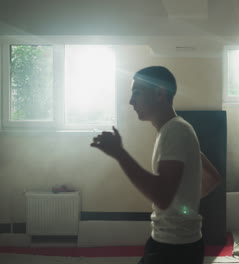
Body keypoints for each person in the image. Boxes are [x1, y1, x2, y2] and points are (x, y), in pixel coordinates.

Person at [91, 66, 221, 264]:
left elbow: (162, 198)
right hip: (176, 244)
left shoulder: (175, 131)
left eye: (137, 92)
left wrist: (120, 154)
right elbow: (213, 179)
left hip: (174, 249)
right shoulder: (179, 129)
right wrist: (184, 204)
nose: (131, 101)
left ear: (159, 93)